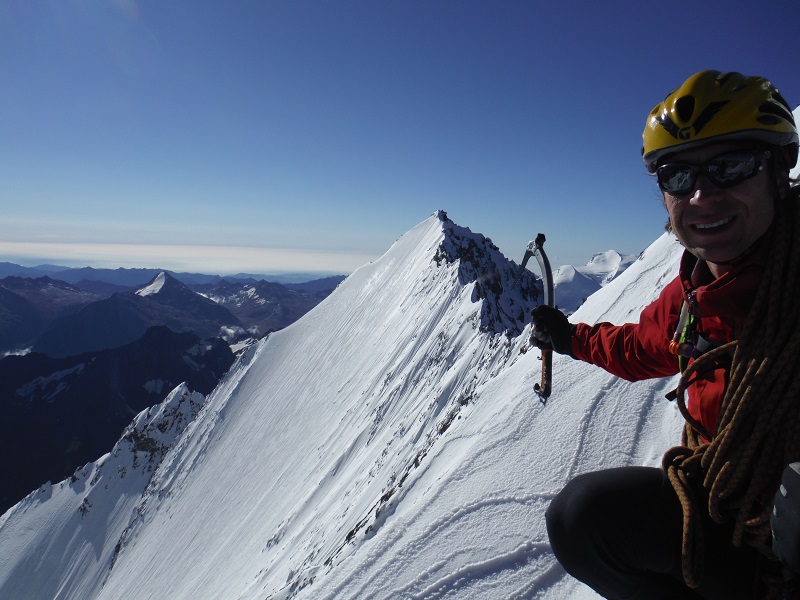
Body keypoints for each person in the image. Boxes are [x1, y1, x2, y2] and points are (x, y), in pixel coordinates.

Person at [531, 70, 800, 599]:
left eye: (731, 165)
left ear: (777, 169)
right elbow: (644, 347)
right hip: (731, 514)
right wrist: (570, 339)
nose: (702, 194)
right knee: (580, 519)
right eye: (677, 175)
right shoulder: (696, 291)